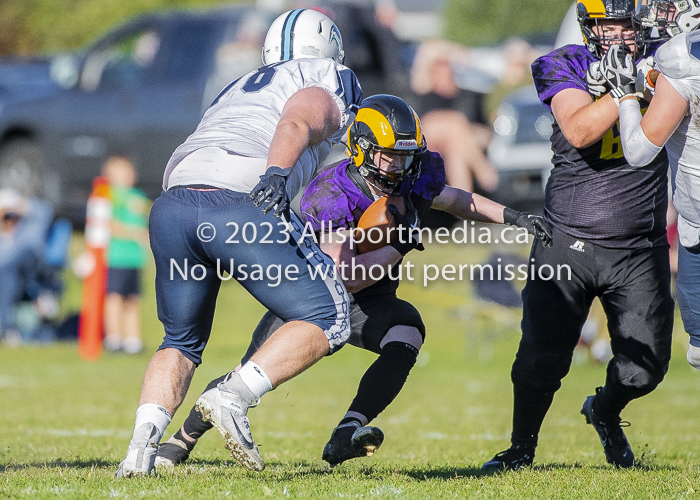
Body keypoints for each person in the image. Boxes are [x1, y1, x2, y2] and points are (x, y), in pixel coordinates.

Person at [153, 95, 552, 469]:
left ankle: (347, 431)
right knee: (250, 371)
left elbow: (452, 198)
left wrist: (515, 217)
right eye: (389, 155)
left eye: (405, 156)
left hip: (373, 299)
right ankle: (184, 437)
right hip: (312, 299)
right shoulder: (333, 194)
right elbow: (342, 280)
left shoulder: (415, 174)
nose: (398, 165)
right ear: (361, 149)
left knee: (407, 334)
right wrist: (398, 247)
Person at [116, 8, 362, 477]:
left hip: (175, 204)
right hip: (241, 198)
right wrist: (276, 175)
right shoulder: (324, 75)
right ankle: (232, 396)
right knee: (329, 316)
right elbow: (298, 119)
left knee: (181, 340)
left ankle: (138, 453)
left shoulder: (241, 82)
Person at [481, 0, 674, 472]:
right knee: (541, 360)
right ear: (587, 29)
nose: (621, 35)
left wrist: (659, 75)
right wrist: (629, 90)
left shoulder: (666, 60)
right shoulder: (561, 64)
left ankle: (605, 411)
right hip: (568, 239)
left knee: (643, 371)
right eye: (609, 25)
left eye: (628, 24)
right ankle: (521, 448)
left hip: (639, 245)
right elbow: (580, 128)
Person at [615, 0, 700, 369]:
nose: (653, 15)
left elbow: (638, 151)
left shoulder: (681, 57)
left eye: (665, 5)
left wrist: (625, 97)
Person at [101, 156, 150, 355]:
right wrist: (136, 234)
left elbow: (146, 217)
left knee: (132, 299)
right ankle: (113, 338)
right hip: (116, 256)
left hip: (135, 258)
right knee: (114, 298)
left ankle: (132, 340)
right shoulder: (108, 196)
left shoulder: (138, 196)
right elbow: (109, 225)